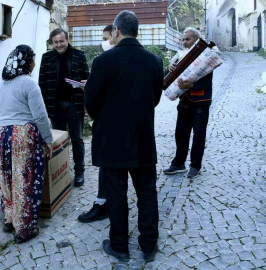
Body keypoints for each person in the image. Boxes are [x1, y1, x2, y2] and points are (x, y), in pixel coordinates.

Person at [84, 11, 163, 262]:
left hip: (111, 139)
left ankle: (119, 246)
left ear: (115, 31)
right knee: (147, 193)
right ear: (136, 31)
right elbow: (155, 99)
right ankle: (149, 245)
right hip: (142, 137)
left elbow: (91, 102)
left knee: (116, 194)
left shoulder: (103, 61)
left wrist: (107, 118)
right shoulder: (154, 61)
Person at [0, 45, 53, 244]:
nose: (35, 63)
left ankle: (9, 219)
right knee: (24, 180)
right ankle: (24, 229)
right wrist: (48, 139)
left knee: (6, 177)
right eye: (33, 59)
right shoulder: (29, 83)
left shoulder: (2, 85)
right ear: (27, 63)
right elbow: (40, 116)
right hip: (21, 134)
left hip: (0, 134)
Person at [39, 28, 90, 187]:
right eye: (56, 42)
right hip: (55, 106)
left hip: (75, 104)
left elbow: (87, 79)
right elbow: (42, 84)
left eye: (61, 41)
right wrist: (45, 108)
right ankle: (61, 173)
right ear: (52, 43)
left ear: (67, 40)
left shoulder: (79, 55)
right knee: (58, 141)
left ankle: (79, 172)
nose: (59, 45)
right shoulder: (46, 58)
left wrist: (84, 86)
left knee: (77, 139)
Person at [163, 27, 213, 178]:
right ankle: (178, 164)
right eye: (183, 39)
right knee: (180, 134)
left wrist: (191, 85)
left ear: (196, 40)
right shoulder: (179, 55)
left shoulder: (205, 56)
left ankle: (195, 166)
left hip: (201, 101)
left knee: (198, 134)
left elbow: (207, 81)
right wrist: (169, 68)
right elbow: (168, 76)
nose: (184, 42)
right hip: (184, 101)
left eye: (188, 39)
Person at [77, 24, 114, 223]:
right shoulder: (150, 60)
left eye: (106, 38)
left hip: (108, 126)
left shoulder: (102, 61)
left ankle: (104, 205)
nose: (104, 42)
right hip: (135, 129)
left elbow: (93, 98)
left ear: (116, 34)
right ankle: (106, 202)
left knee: (107, 166)